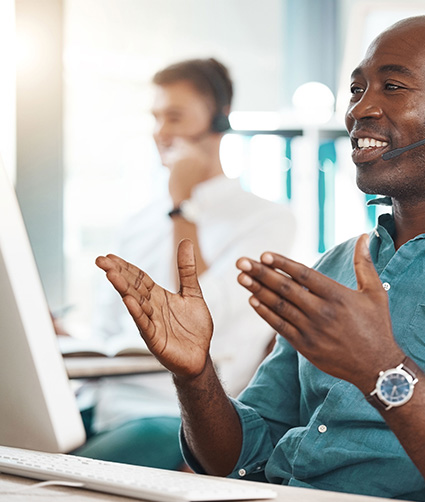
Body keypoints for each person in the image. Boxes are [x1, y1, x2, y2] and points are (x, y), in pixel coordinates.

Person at [96, 15, 425, 501]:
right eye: (357, 88)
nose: (359, 109)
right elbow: (241, 457)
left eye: (392, 87)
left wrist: (382, 368)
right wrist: (195, 375)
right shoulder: (337, 265)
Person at [75, 58, 296, 470]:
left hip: (170, 416)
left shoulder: (266, 220)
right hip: (101, 406)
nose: (161, 132)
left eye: (174, 117)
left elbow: (194, 313)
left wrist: (183, 206)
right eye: (156, 118)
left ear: (218, 121)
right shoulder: (139, 220)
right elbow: (106, 330)